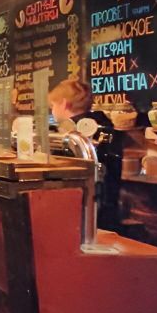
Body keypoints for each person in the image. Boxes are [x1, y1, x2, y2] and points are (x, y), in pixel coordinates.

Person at [48, 79, 124, 231]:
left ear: (64, 104)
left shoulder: (71, 134)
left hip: (82, 211)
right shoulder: (104, 125)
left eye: (53, 106)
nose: (52, 111)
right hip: (107, 207)